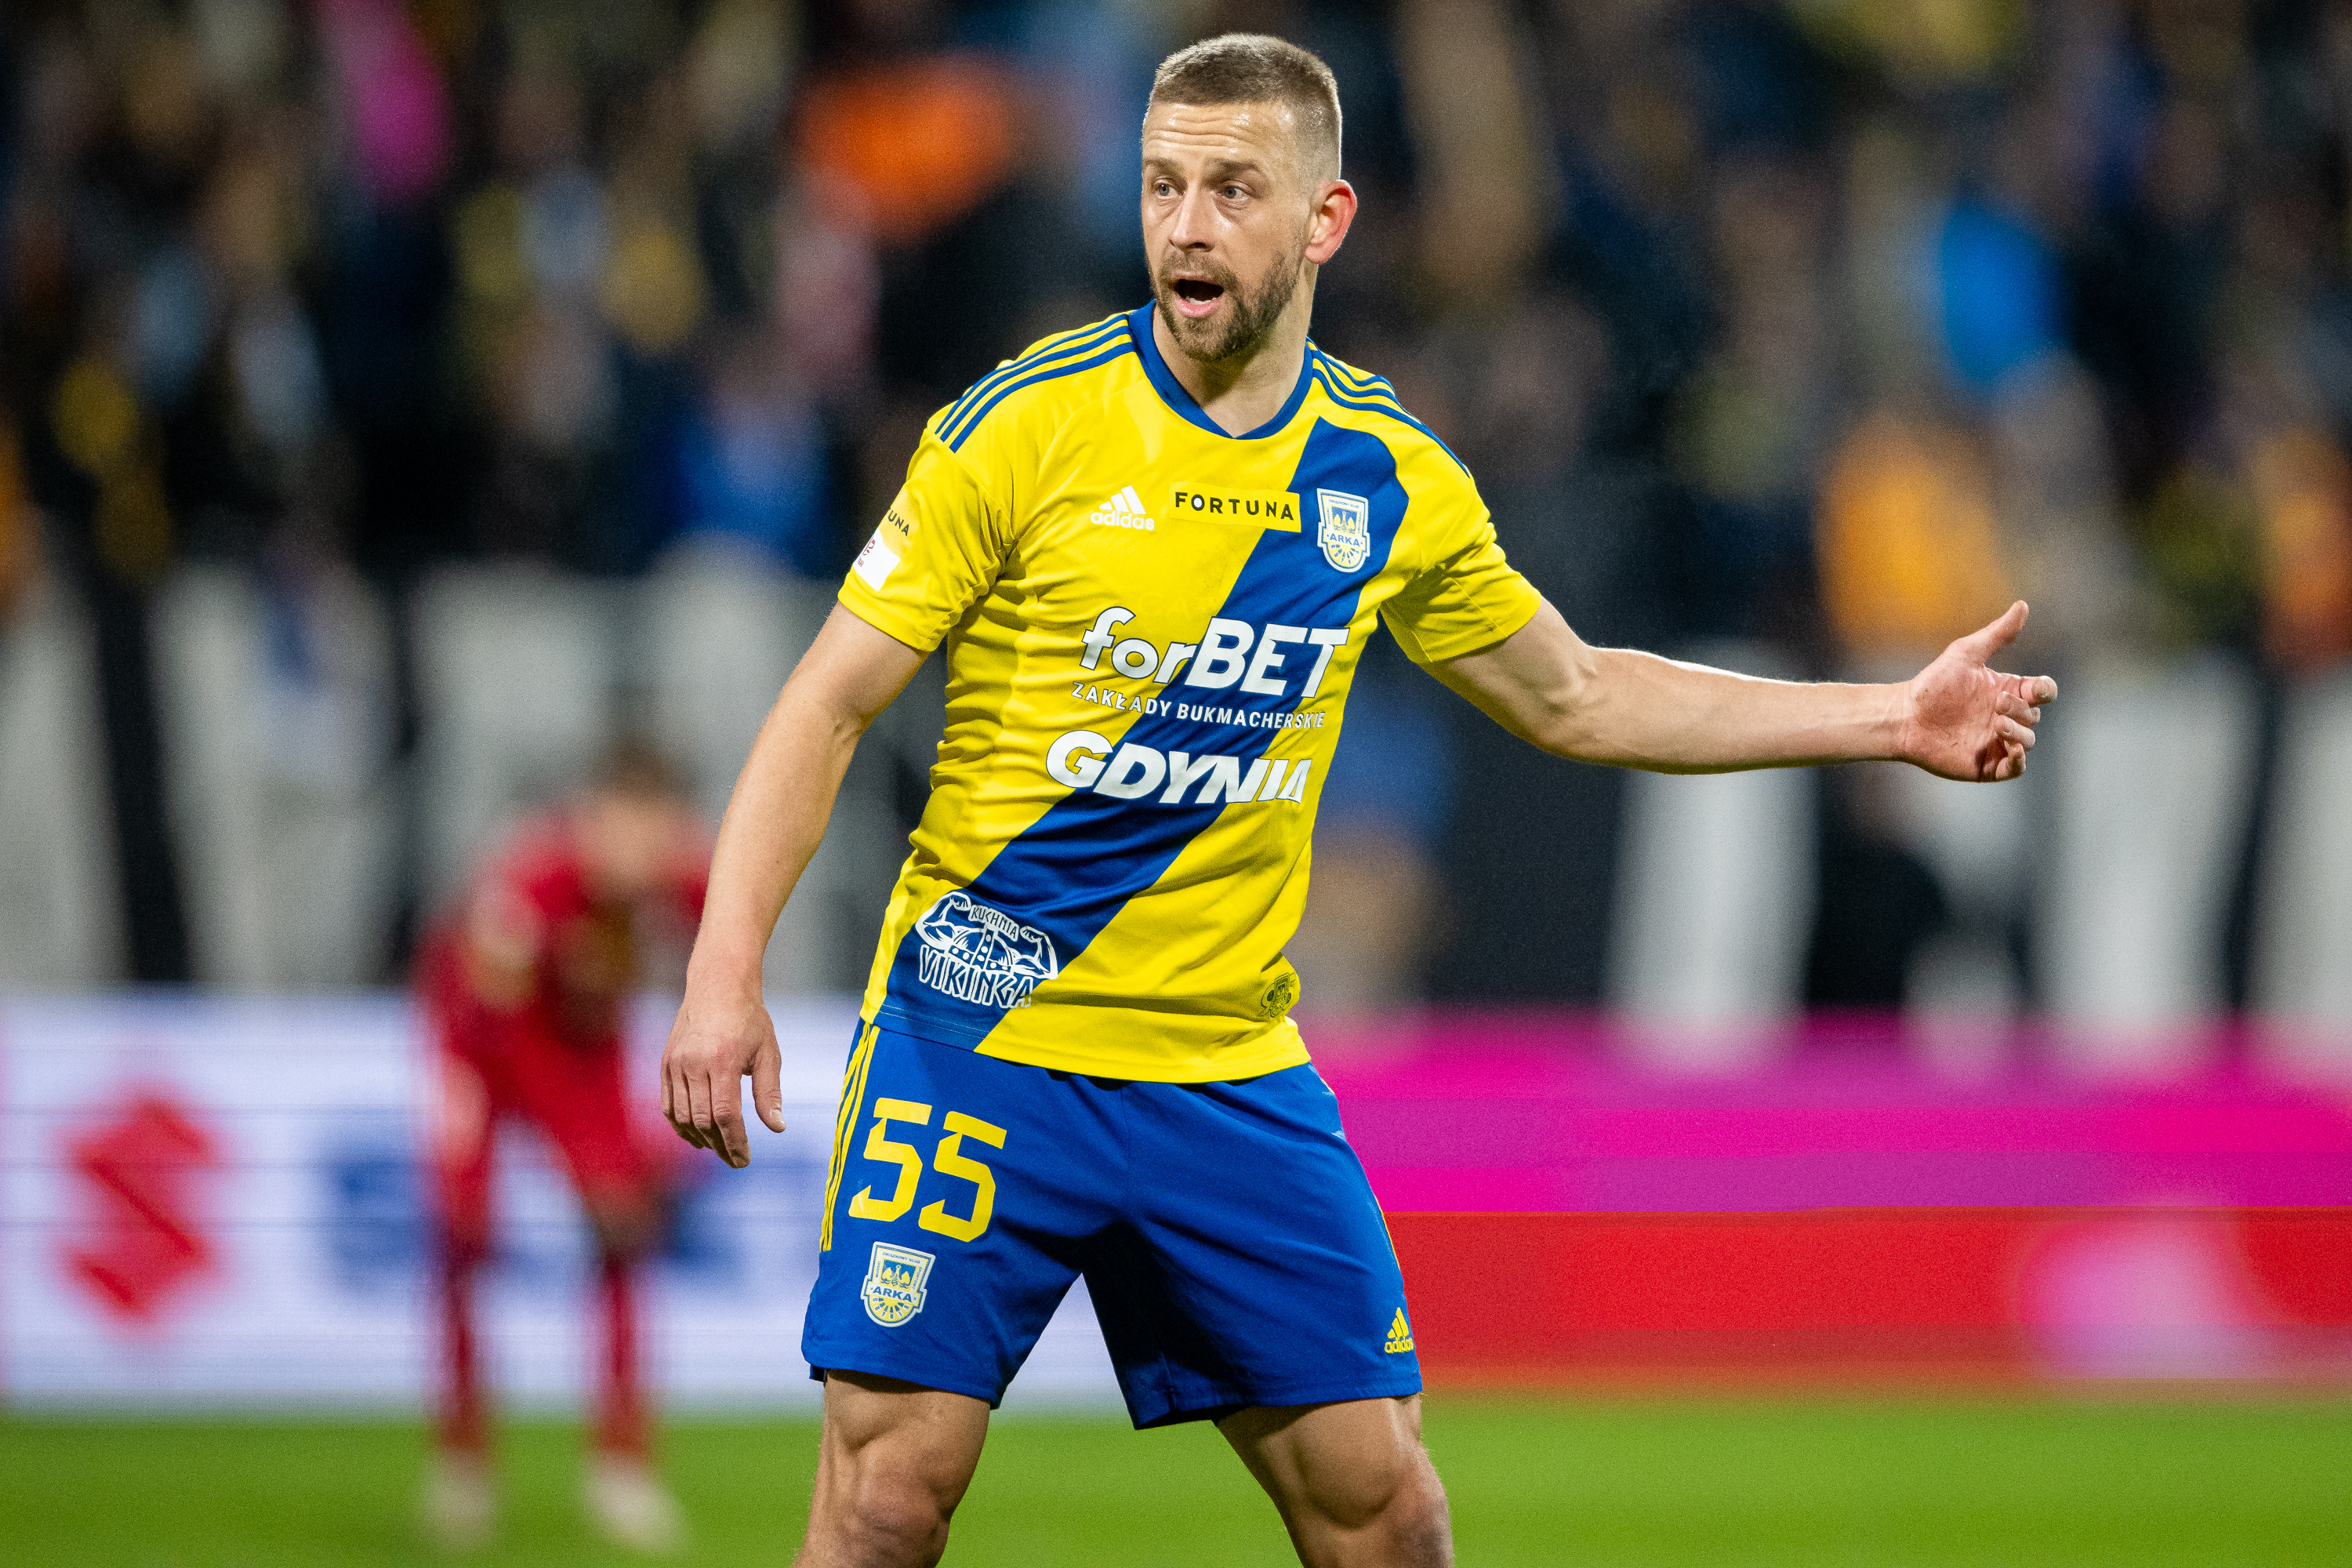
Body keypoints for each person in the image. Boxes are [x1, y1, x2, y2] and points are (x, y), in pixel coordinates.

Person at [659, 34, 2056, 1568]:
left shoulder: (1384, 477)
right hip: (980, 1047)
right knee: (884, 1501)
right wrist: (724, 975)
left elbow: (1578, 694)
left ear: (1325, 219)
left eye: (1233, 189)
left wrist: (1888, 718)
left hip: (1226, 1069)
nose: (1186, 225)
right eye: (1163, 186)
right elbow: (828, 701)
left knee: (1387, 1514)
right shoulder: (1026, 427)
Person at [418, 741, 708, 1552]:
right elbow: (492, 1022)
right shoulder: (524, 886)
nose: (640, 854)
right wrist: (590, 1172)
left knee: (627, 1246)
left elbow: (727, 959)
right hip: (479, 1050)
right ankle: (462, 1463)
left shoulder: (682, 878)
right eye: (625, 829)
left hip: (585, 1049)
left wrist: (662, 1145)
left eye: (658, 834)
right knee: (465, 1234)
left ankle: (621, 1468)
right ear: (590, 818)